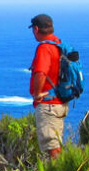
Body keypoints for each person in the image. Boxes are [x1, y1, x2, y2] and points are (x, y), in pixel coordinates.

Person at [29, 13, 68, 160]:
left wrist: (37, 95)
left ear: (36, 29)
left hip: (49, 104)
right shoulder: (58, 43)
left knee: (52, 148)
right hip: (59, 102)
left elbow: (41, 72)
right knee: (56, 144)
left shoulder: (45, 48)